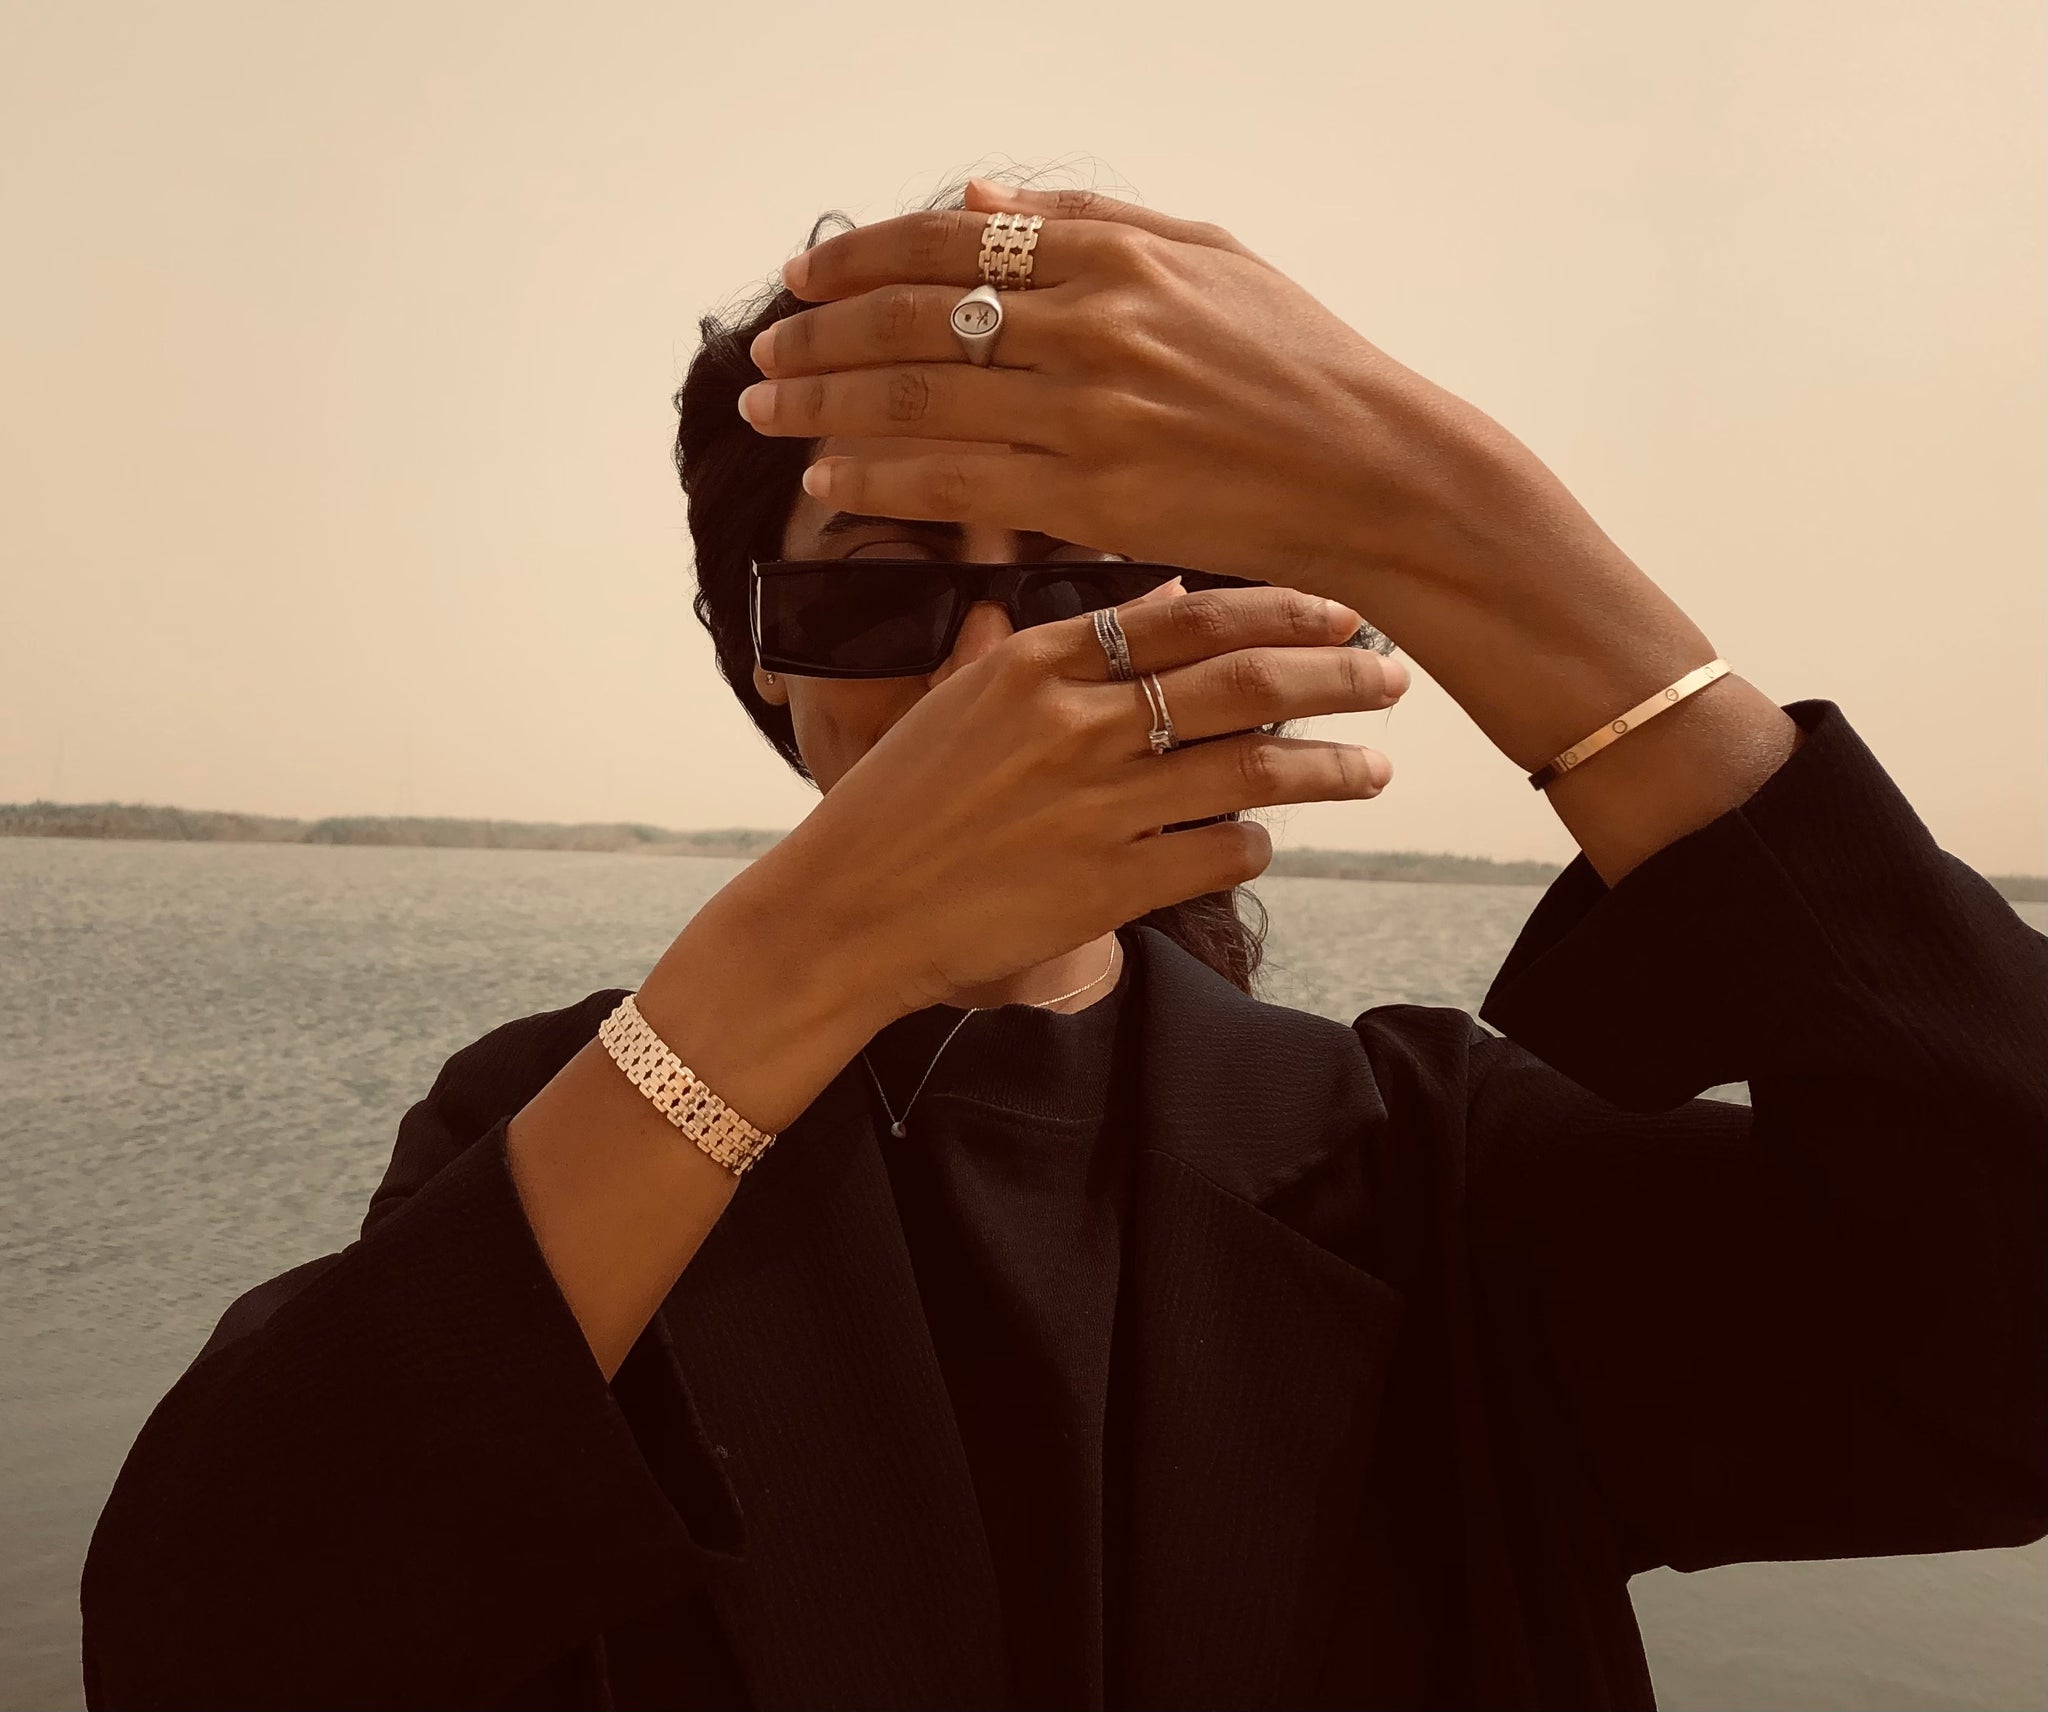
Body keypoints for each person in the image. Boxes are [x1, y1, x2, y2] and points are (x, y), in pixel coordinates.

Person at [83, 178, 2045, 1712]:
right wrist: (781, 974)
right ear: (760, 655)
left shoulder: (1437, 1175)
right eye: (876, 594)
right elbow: (211, 1645)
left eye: (1091, 587)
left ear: (1247, 630)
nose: (993, 675)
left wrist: (1455, 514)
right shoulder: (563, 1133)